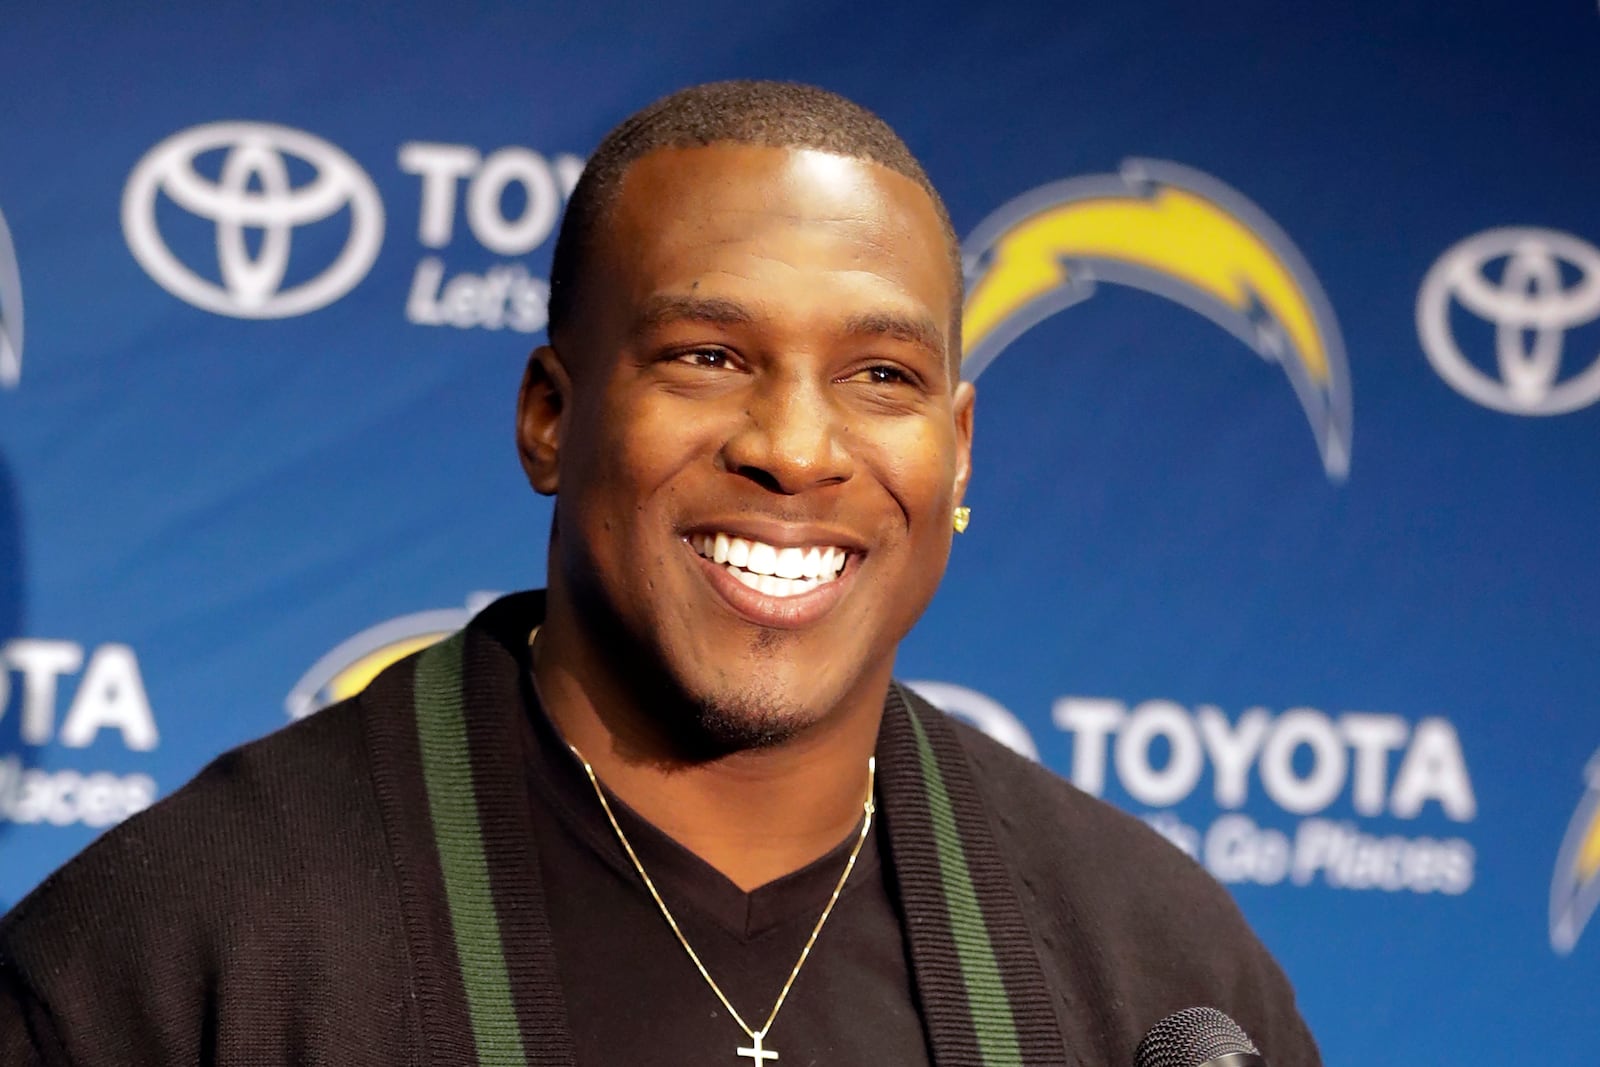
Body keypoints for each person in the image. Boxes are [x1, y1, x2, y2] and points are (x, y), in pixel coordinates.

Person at [0, 81, 1321, 1066]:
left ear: (957, 451)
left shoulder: (1159, 975)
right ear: (549, 417)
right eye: (706, 355)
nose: (797, 450)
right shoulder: (185, 953)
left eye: (881, 376)